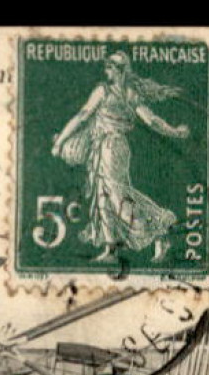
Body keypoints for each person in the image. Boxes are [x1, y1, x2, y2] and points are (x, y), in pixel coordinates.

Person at [51, 50, 191, 263]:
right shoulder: (129, 93)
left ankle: (160, 231)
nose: (106, 70)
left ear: (119, 71)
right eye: (107, 66)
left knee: (116, 197)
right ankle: (111, 249)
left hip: (110, 147)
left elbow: (83, 116)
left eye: (110, 67)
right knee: (102, 196)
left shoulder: (105, 91)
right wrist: (175, 131)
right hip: (107, 147)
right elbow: (151, 120)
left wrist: (61, 141)